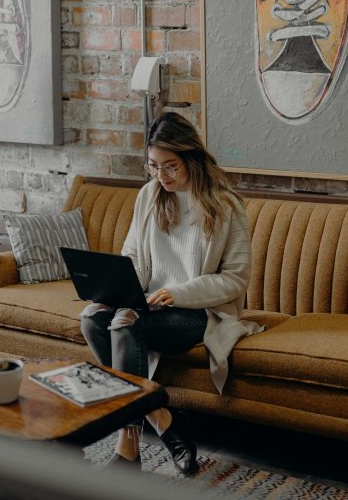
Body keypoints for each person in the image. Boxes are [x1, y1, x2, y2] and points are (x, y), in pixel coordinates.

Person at [79, 112, 263, 474]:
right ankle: (163, 419)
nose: (161, 176)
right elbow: (132, 254)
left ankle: (127, 446)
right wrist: (115, 289)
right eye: (153, 166)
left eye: (170, 166)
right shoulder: (149, 196)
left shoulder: (226, 206)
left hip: (199, 311)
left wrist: (177, 293)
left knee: (125, 323)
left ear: (191, 159)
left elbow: (235, 280)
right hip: (148, 302)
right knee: (93, 318)